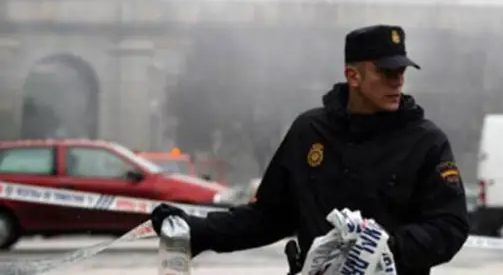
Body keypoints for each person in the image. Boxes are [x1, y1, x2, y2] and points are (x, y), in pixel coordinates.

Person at [150, 24, 469, 275]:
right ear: (352, 75)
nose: (398, 81)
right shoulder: (309, 132)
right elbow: (269, 217)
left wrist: (390, 248)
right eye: (386, 72)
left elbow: (450, 226)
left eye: (401, 71)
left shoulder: (427, 141)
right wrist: (196, 229)